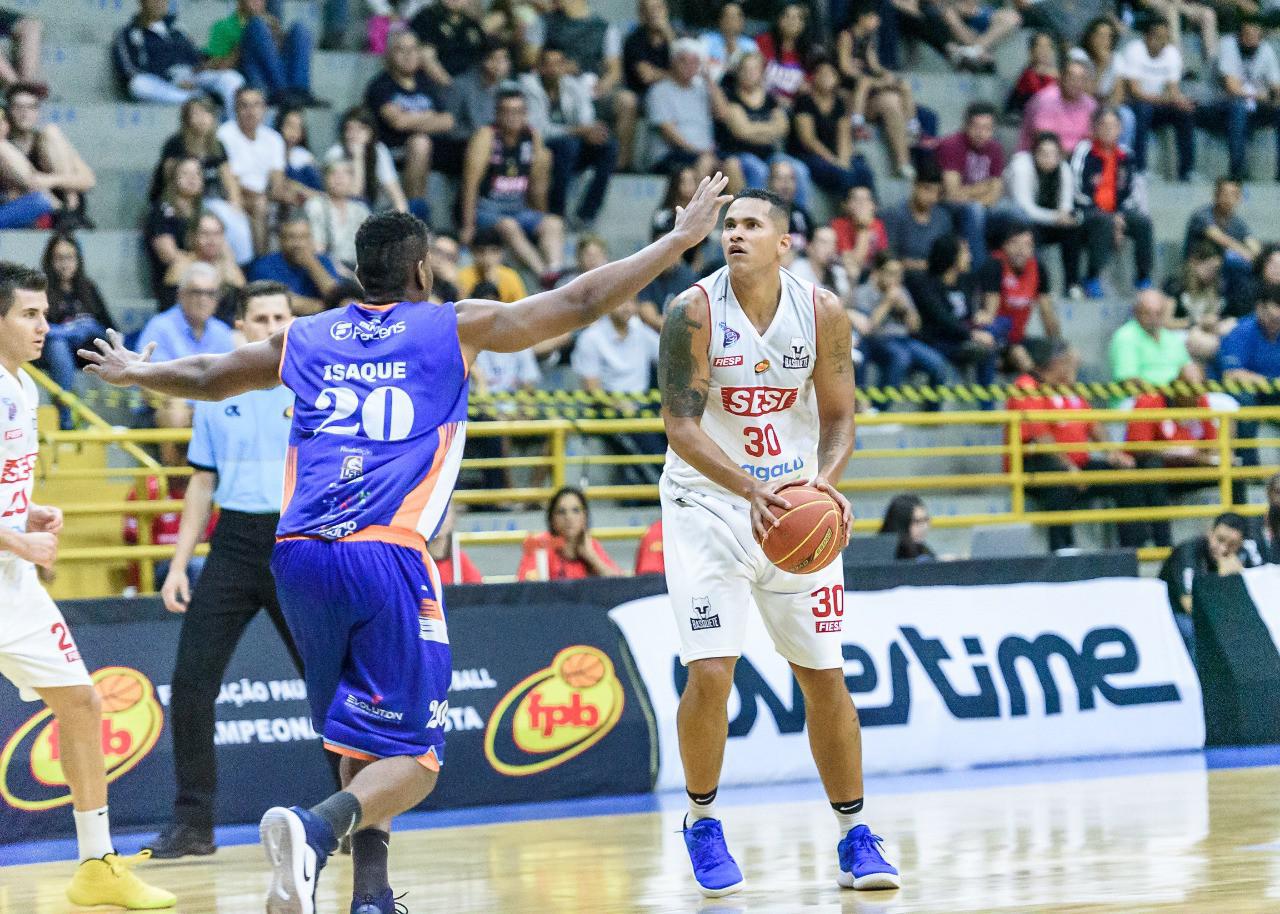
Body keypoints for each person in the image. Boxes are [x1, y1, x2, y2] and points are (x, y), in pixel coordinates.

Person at [79, 177, 732, 914]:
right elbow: (577, 302)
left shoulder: (309, 334)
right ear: (423, 272)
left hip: (294, 553)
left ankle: (372, 894)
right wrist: (678, 242)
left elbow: (208, 375)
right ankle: (315, 829)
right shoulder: (451, 324)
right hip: (384, 551)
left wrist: (137, 371)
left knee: (357, 732)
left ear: (359, 275)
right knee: (416, 759)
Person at [656, 187, 898, 898]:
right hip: (708, 504)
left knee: (824, 674)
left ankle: (856, 834)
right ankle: (702, 821)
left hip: (793, 504)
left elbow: (840, 418)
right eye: (729, 225)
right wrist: (748, 489)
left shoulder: (821, 312)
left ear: (784, 243)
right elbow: (681, 427)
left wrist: (821, 485)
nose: (736, 234)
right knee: (711, 672)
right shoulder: (692, 312)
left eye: (752, 225)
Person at [0, 263, 177, 910]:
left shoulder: (24, 388)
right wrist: (20, 539)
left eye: (46, 314)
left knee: (81, 703)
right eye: (29, 314)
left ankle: (95, 863)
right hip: (10, 565)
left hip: (12, 585)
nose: (45, 327)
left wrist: (28, 513)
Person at [144, 282, 304, 860]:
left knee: (332, 686)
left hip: (300, 543)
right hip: (233, 543)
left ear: (293, 321)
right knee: (190, 683)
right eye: (259, 318)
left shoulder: (316, 386)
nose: (270, 327)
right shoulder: (217, 394)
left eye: (279, 316)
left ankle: (355, 812)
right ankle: (194, 824)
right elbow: (202, 483)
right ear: (241, 328)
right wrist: (178, 567)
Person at [1007, 339, 1140, 551]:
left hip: (1077, 463)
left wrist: (1113, 453)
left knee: (1124, 477)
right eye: (1071, 363)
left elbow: (1092, 424)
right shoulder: (1027, 387)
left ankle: (1132, 549)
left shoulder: (1069, 389)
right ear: (1057, 363)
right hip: (1036, 463)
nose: (1076, 369)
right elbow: (1040, 436)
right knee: (1060, 483)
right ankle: (1063, 551)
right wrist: (1068, 468)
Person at [460, 89, 565, 280]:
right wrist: (468, 227)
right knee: (509, 225)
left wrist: (540, 215)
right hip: (487, 210)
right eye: (507, 111)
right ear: (498, 114)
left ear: (525, 114)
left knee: (553, 223)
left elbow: (538, 184)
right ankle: (543, 275)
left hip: (518, 208)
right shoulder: (486, 136)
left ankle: (556, 271)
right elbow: (470, 184)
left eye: (518, 111)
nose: (512, 117)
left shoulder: (531, 136)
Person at [520, 43, 618, 230]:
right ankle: (557, 212)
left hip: (571, 146)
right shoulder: (528, 85)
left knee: (609, 146)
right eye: (548, 64)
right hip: (540, 146)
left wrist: (591, 132)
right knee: (568, 145)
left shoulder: (573, 85)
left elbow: (586, 119)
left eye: (558, 64)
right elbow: (538, 129)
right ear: (539, 66)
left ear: (565, 66)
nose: (553, 69)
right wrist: (579, 131)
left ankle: (587, 213)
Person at [154, 97, 253, 265]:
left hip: (210, 199)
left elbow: (229, 179)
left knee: (236, 218)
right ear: (186, 118)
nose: (202, 118)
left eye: (206, 113)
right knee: (214, 218)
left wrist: (235, 203)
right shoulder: (176, 144)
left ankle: (244, 265)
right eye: (196, 114)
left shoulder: (217, 145)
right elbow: (170, 180)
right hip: (181, 199)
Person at [541, 0, 639, 171]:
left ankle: (620, 166)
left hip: (592, 88)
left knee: (627, 100)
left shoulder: (603, 27)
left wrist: (601, 87)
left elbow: (614, 70)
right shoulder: (546, 22)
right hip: (556, 87)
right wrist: (560, 70)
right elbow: (531, 60)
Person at [1071, 106, 1155, 297]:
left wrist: (1119, 216)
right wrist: (1111, 217)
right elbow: (1077, 190)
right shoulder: (1084, 151)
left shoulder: (1126, 155)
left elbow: (1132, 192)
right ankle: (1092, 277)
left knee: (1143, 222)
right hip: (1086, 211)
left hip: (1117, 212)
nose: (1109, 130)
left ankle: (1143, 277)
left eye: (1114, 125)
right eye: (1104, 125)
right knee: (1103, 221)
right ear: (1094, 128)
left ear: (1121, 129)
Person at [113, 0, 245, 118]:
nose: (160, 2)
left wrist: (209, 64)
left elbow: (195, 56)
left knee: (233, 78)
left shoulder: (178, 28)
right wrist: (172, 81)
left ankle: (233, 124)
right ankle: (195, 99)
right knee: (138, 85)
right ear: (142, 2)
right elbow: (129, 70)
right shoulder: (129, 33)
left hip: (192, 75)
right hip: (162, 82)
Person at [364, 30, 453, 203]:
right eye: (401, 50)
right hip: (393, 149)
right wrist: (429, 115)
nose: (408, 55)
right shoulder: (380, 85)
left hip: (433, 148)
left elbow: (448, 121)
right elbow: (398, 122)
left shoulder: (426, 82)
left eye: (413, 50)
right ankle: (414, 209)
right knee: (420, 142)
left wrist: (411, 118)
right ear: (389, 55)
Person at [1158, 512, 1261, 655]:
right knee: (1195, 630)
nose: (1223, 548)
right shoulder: (1188, 552)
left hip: (1212, 614)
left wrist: (1242, 575)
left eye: (1232, 545)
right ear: (1210, 533)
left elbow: (1257, 599)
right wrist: (1223, 579)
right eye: (1220, 540)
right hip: (1172, 612)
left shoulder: (1243, 555)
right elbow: (1190, 606)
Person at [834, 5, 918, 179]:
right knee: (865, 82)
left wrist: (887, 76)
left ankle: (910, 132)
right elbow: (844, 67)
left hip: (868, 85)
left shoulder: (869, 39)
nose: (877, 22)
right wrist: (864, 75)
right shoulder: (846, 36)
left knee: (899, 89)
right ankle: (857, 120)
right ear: (861, 17)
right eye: (873, 17)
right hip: (849, 88)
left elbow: (874, 65)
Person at [39, 234, 112, 430]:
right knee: (57, 344)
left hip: (86, 349)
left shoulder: (88, 287)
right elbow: (37, 328)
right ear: (50, 260)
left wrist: (88, 326)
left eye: (70, 257)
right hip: (53, 353)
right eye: (59, 258)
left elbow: (110, 328)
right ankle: (66, 418)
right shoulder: (41, 289)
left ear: (78, 259)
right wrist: (67, 331)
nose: (65, 264)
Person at [716, 53, 809, 201]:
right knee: (759, 170)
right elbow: (742, 132)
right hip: (739, 154)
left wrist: (753, 128)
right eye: (746, 69)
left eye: (754, 69)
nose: (750, 73)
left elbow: (783, 129)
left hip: (769, 154)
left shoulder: (770, 98)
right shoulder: (730, 96)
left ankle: (799, 218)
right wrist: (769, 129)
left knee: (800, 169)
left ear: (761, 72)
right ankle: (754, 217)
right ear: (738, 72)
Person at [907, 234, 997, 384]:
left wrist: (978, 317)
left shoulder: (965, 282)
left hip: (960, 337)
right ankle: (932, 407)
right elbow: (941, 318)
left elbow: (967, 314)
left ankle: (986, 404)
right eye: (965, 252)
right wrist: (971, 334)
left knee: (993, 340)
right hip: (937, 340)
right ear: (952, 256)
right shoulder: (926, 284)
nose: (970, 257)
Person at [1005, 132, 1087, 294]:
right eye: (1043, 154)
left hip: (1048, 220)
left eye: (1053, 154)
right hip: (1016, 219)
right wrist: (1056, 217)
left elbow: (1065, 204)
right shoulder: (1021, 167)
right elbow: (1024, 208)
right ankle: (1033, 283)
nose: (1048, 159)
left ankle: (1072, 284)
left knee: (1072, 229)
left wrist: (1065, 217)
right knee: (1030, 230)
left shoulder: (1063, 168)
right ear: (1034, 153)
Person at [856, 250, 952, 389]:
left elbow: (915, 327)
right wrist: (887, 303)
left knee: (938, 364)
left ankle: (932, 410)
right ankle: (879, 407)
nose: (896, 278)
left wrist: (906, 310)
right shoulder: (863, 292)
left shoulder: (902, 291)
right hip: (878, 340)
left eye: (899, 274)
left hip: (904, 339)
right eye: (891, 273)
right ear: (877, 272)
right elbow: (868, 329)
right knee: (901, 358)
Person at [5, 83, 96, 228]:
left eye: (31, 107)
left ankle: (70, 212)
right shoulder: (5, 147)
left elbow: (88, 181)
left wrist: (49, 180)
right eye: (18, 107)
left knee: (51, 131)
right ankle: (62, 211)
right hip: (32, 210)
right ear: (9, 111)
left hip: (64, 201)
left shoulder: (49, 140)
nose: (24, 113)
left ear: (38, 111)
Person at [1201, 19, 1280, 182]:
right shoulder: (1227, 45)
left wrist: (1273, 98)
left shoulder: (1265, 49)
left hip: (1252, 106)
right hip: (1217, 107)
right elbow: (1232, 88)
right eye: (1247, 35)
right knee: (1238, 106)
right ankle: (1237, 171)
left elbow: (1276, 87)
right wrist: (1264, 95)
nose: (1251, 39)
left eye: (1255, 35)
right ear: (1239, 35)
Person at [974, 223, 1060, 371]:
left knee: (1070, 356)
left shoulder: (1038, 269)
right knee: (1020, 355)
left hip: (1020, 338)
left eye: (1027, 245)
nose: (1021, 251)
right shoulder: (994, 266)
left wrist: (1057, 347)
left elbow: (1047, 314)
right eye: (1015, 243)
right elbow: (990, 316)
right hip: (997, 340)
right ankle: (1038, 392)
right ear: (1004, 246)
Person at [217, 87, 289, 256]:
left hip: (264, 194)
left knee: (300, 200)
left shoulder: (273, 138)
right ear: (235, 109)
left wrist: (280, 193)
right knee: (260, 204)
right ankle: (260, 262)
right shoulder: (224, 134)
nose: (251, 111)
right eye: (244, 106)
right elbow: (229, 179)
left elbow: (277, 177)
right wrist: (260, 195)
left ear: (264, 109)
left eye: (256, 105)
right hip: (233, 195)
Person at [206, 0, 320, 107]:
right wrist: (243, 45)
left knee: (299, 28)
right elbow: (214, 66)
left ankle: (300, 90)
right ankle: (283, 91)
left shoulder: (272, 23)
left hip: (279, 76)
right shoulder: (223, 26)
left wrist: (276, 38)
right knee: (256, 25)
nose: (257, 1)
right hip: (256, 81)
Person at [1121, 17, 1196, 179]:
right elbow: (1135, 91)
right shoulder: (1134, 50)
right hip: (1135, 105)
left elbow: (1173, 90)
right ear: (1147, 36)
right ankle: (1140, 168)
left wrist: (1180, 101)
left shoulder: (1172, 54)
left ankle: (1187, 171)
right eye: (1157, 36)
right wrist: (1169, 99)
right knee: (1143, 109)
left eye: (1165, 37)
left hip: (1159, 105)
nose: (1162, 42)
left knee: (1185, 112)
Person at [791, 58, 878, 195]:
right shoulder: (804, 101)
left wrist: (843, 161)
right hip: (811, 155)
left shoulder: (839, 103)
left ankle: (872, 212)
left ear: (837, 79)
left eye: (831, 74)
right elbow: (808, 140)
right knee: (843, 175)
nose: (826, 77)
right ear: (814, 77)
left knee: (863, 171)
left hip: (836, 153)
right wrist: (833, 160)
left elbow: (844, 133)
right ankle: (849, 213)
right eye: (822, 73)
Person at [936, 101, 1005, 262]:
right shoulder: (951, 145)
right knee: (975, 210)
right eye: (977, 127)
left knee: (1017, 213)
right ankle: (977, 273)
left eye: (987, 128)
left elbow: (995, 192)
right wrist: (983, 187)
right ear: (966, 126)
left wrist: (974, 194)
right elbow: (952, 193)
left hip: (981, 204)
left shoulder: (995, 148)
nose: (981, 133)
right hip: (947, 205)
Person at [1219, 283, 1280, 466]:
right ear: (1259, 308)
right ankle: (1248, 466)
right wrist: (1270, 382)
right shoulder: (1241, 331)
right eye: (1271, 317)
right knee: (1244, 398)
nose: (1275, 323)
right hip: (1252, 395)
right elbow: (1232, 374)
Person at [646, 38, 720, 178]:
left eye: (695, 62)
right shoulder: (659, 91)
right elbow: (668, 133)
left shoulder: (702, 89)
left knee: (732, 164)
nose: (689, 66)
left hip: (703, 154)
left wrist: (709, 80)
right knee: (706, 162)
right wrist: (699, 152)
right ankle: (699, 201)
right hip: (669, 155)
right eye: (684, 61)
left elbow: (722, 113)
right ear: (673, 62)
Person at [1184, 177, 1260, 311]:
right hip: (1196, 269)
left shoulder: (1238, 223)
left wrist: (1257, 258)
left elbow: (1254, 246)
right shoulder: (1202, 215)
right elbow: (1221, 239)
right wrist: (1246, 254)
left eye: (1234, 194)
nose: (1229, 198)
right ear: (1216, 195)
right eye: (1225, 194)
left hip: (1223, 272)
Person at [137, 263, 236, 363]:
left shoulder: (222, 332)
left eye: (211, 293)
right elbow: (152, 374)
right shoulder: (159, 328)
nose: (203, 299)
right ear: (181, 295)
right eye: (197, 292)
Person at [439, 41, 511, 177]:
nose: (500, 64)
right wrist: (479, 136)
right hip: (461, 146)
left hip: (497, 143)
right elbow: (449, 127)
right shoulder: (461, 85)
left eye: (504, 59)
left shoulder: (508, 89)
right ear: (483, 61)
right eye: (494, 59)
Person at [324, 107, 414, 216]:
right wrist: (358, 158)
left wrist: (404, 222)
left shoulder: (379, 150)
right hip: (348, 213)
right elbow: (355, 196)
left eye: (361, 129)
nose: (354, 135)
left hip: (378, 210)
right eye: (350, 129)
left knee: (417, 206)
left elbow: (396, 194)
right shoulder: (336, 153)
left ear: (371, 132)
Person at [517, 486, 622, 580]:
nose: (569, 517)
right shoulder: (540, 544)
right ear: (552, 519)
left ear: (585, 517)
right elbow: (527, 588)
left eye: (576, 510)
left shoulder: (591, 545)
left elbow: (620, 584)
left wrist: (592, 558)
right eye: (561, 512)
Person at [247, 215, 343, 314]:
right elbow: (284, 303)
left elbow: (338, 296)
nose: (298, 244)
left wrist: (312, 264)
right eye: (291, 237)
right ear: (280, 240)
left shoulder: (323, 261)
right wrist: (332, 308)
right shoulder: (263, 266)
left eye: (304, 237)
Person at [163, 211, 247, 319]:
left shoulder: (231, 269)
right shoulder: (180, 267)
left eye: (217, 234)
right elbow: (169, 309)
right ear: (192, 237)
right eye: (204, 233)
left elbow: (243, 308)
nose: (211, 240)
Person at [1070, 17, 1134, 149]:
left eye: (1108, 37)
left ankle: (1120, 156)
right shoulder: (1078, 55)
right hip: (1080, 103)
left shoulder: (1117, 58)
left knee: (1127, 115)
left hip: (1105, 105)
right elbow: (1084, 93)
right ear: (1090, 36)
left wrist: (1106, 110)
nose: (1104, 41)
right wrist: (1101, 65)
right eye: (1100, 35)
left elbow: (1118, 96)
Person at [145, 155, 204, 299]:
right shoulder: (161, 211)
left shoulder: (205, 211)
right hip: (172, 280)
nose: (192, 178)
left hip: (201, 273)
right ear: (173, 178)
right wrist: (204, 263)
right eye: (185, 173)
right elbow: (168, 255)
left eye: (197, 173)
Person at [882, 163, 954, 273]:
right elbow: (888, 256)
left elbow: (948, 257)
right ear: (915, 185)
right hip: (903, 277)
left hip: (935, 278)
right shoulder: (895, 214)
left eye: (937, 192)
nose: (932, 197)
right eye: (927, 189)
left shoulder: (943, 218)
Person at [1109, 289, 1191, 385]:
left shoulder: (1171, 337)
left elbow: (1187, 368)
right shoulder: (1125, 336)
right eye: (1148, 313)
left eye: (1159, 313)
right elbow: (1128, 380)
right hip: (1137, 396)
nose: (1154, 319)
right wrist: (1162, 394)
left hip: (1173, 395)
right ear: (1136, 312)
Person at [1020, 57, 1098, 153]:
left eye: (1081, 79)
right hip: (1040, 157)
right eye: (1071, 77)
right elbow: (1044, 142)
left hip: (1076, 159)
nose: (1076, 82)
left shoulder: (1090, 105)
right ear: (1061, 78)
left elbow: (1094, 139)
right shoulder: (1045, 100)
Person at [305, 160, 372, 270]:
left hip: (359, 268)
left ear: (352, 179)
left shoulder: (360, 209)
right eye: (333, 173)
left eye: (345, 173)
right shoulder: (315, 206)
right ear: (325, 179)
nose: (339, 178)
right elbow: (318, 251)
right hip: (328, 267)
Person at [409, 0, 486, 83]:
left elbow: (480, 61)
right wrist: (449, 84)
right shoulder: (427, 16)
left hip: (465, 84)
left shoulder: (473, 27)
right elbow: (426, 56)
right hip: (428, 80)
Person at [833, 185, 889, 282]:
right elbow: (855, 262)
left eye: (866, 199)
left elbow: (883, 258)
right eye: (856, 199)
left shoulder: (878, 224)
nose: (861, 204)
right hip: (850, 277)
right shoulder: (838, 225)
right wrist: (863, 228)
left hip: (874, 276)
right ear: (846, 205)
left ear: (873, 206)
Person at [456, 228, 528, 301]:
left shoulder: (511, 276)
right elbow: (463, 308)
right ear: (473, 253)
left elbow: (522, 308)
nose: (487, 258)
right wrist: (489, 284)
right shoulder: (463, 276)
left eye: (493, 251)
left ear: (501, 253)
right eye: (481, 251)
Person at [624, 0, 675, 99]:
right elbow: (647, 76)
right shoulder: (633, 40)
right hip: (644, 93)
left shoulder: (678, 36)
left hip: (676, 91)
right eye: (649, 9)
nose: (654, 13)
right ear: (641, 14)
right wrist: (677, 76)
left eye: (658, 8)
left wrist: (669, 36)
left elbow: (687, 68)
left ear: (666, 10)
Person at [700, 1, 760, 85]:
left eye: (735, 17)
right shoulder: (706, 40)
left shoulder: (750, 45)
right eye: (727, 16)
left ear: (742, 21)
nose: (730, 21)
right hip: (708, 88)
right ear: (720, 20)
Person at [428, 504, 483, 586]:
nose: (440, 519)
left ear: (453, 519)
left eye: (445, 513)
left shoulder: (460, 559)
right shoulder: (414, 560)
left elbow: (477, 592)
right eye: (434, 513)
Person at [1008, 30, 1059, 114]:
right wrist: (1053, 77)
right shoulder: (1027, 75)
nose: (1045, 51)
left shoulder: (1057, 74)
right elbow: (1041, 100)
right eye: (1040, 46)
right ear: (1031, 51)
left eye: (1049, 46)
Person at [879, 493, 936, 560]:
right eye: (916, 522)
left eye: (925, 520)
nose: (924, 527)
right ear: (901, 525)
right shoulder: (881, 555)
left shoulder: (923, 550)